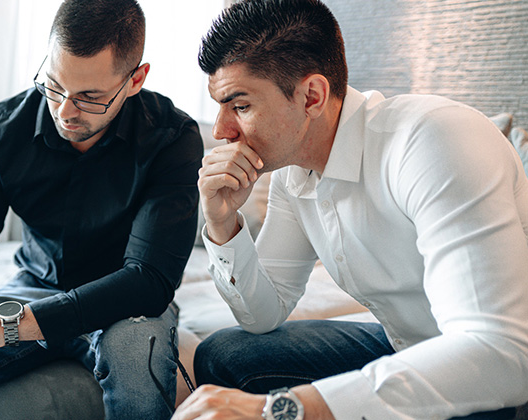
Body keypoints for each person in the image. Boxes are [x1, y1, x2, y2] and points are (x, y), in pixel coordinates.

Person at [172, 0, 528, 419]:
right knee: (226, 353)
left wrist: (286, 409)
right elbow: (262, 315)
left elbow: (501, 351)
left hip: (497, 368)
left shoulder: (434, 139)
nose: (221, 131)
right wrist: (221, 222)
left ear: (311, 96)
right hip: (409, 346)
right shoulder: (294, 174)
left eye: (241, 106)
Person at [0, 0, 202, 419]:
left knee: (137, 356)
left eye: (89, 97)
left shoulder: (173, 138)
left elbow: (149, 280)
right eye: (54, 84)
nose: (64, 111)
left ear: (136, 80)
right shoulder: (0, 130)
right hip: (32, 288)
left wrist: (14, 324)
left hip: (125, 303)